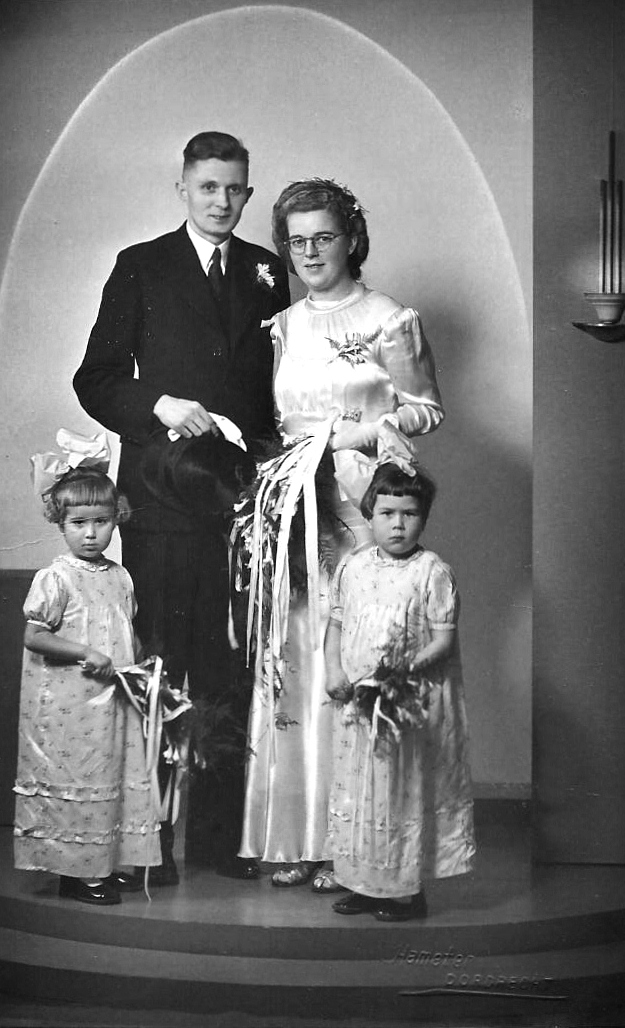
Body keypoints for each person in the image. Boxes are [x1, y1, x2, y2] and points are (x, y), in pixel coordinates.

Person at [73, 132, 290, 881]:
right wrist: (159, 403)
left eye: (235, 189)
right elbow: (96, 379)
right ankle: (151, 844)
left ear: (248, 193)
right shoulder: (140, 264)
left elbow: (275, 389)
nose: (222, 202)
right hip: (161, 498)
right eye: (208, 187)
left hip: (241, 504)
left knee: (230, 665)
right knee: (161, 662)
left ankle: (221, 842)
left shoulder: (269, 271)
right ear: (183, 189)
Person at [236, 179, 443, 889]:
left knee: (353, 658)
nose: (310, 252)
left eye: (323, 236)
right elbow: (277, 419)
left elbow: (425, 409)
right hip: (296, 510)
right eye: (296, 241)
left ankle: (351, 843)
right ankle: (299, 838)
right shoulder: (283, 325)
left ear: (351, 238)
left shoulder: (389, 318)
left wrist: (362, 432)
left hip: (361, 505)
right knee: (298, 661)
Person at [325, 462, 475, 921]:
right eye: (387, 513)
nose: (397, 524)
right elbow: (336, 625)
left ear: (423, 518)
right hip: (359, 704)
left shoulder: (432, 572)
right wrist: (333, 669)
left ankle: (405, 892)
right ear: (369, 514)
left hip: (404, 705)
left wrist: (397, 674)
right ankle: (364, 883)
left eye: (409, 514)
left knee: (397, 792)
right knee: (362, 791)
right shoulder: (352, 567)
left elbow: (442, 642)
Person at [13, 465, 160, 905]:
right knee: (77, 777)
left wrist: (142, 666)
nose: (91, 534)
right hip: (71, 705)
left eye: (102, 521)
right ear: (60, 523)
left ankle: (102, 864)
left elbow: (124, 630)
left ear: (117, 519)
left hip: (112, 701)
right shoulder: (56, 577)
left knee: (111, 776)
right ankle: (75, 874)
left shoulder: (120, 576)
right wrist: (84, 652)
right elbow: (35, 636)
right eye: (79, 523)